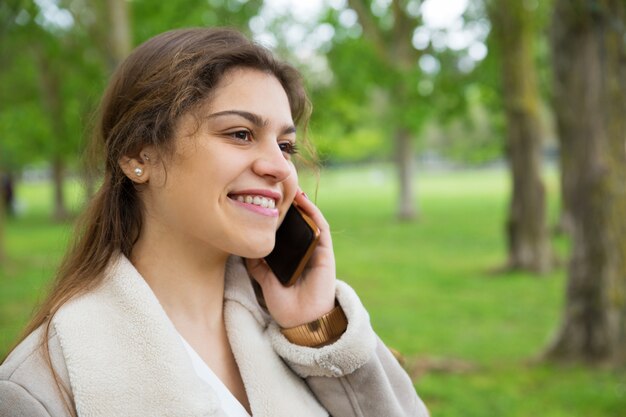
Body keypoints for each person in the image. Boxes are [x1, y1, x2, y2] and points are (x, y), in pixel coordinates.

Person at [0, 28, 429, 417]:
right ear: (137, 155)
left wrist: (316, 332)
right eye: (240, 134)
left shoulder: (303, 326)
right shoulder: (42, 386)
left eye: (286, 146)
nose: (279, 167)